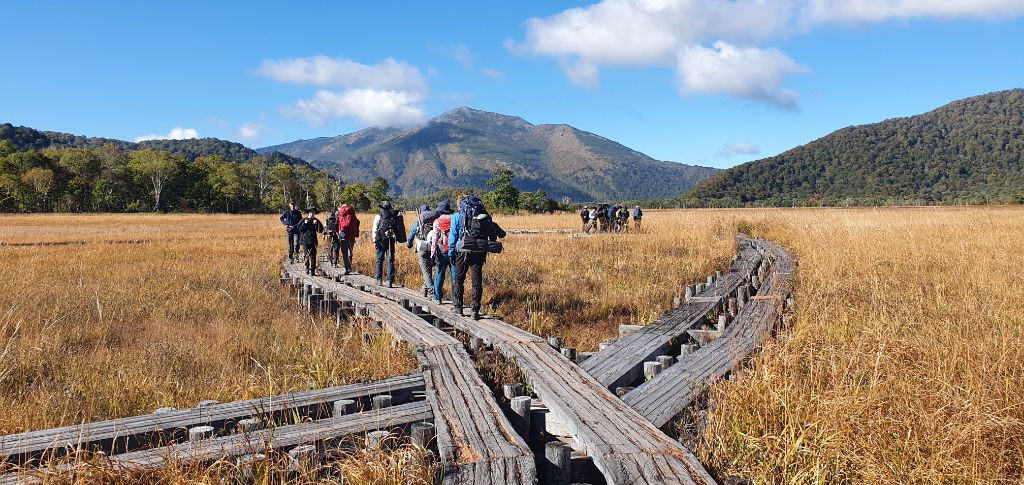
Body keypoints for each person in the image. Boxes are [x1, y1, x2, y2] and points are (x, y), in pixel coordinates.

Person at [449, 195, 506, 320]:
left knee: (459, 279)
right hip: (480, 250)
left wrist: (451, 252)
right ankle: (475, 310)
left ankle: (458, 307)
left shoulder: (457, 216)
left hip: (463, 250)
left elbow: (453, 235)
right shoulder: (483, 215)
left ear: (460, 205)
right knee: (477, 280)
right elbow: (500, 233)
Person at [407, 204, 440, 297]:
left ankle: (431, 290)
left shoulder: (419, 221)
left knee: (426, 270)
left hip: (422, 248)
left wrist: (409, 244)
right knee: (429, 269)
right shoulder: (435, 221)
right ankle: (424, 290)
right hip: (433, 248)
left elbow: (412, 234)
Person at [371, 200, 405, 287]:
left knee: (379, 259)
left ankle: (379, 279)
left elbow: (375, 229)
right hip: (391, 239)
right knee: (390, 259)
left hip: (381, 240)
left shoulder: (378, 216)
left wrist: (375, 240)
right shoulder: (393, 216)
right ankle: (390, 281)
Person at [430, 200, 455, 302]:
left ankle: (437, 297)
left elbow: (434, 239)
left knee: (440, 273)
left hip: (442, 251)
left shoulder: (437, 221)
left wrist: (432, 254)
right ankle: (456, 299)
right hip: (454, 251)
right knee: (455, 276)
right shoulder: (454, 219)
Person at [295, 208, 324, 275]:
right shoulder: (303, 220)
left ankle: (313, 271)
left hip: (313, 240)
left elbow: (320, 231)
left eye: (313, 212)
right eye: (311, 212)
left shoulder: (316, 220)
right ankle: (307, 269)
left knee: (313, 256)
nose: (312, 214)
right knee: (306, 255)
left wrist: (317, 224)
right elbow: (299, 229)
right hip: (305, 240)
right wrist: (304, 224)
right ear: (308, 213)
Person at [336, 204, 360, 274]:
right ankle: (350, 266)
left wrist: (338, 233)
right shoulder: (352, 214)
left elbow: (337, 224)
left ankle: (347, 268)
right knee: (350, 251)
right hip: (352, 235)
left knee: (345, 253)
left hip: (343, 235)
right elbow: (357, 222)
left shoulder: (340, 215)